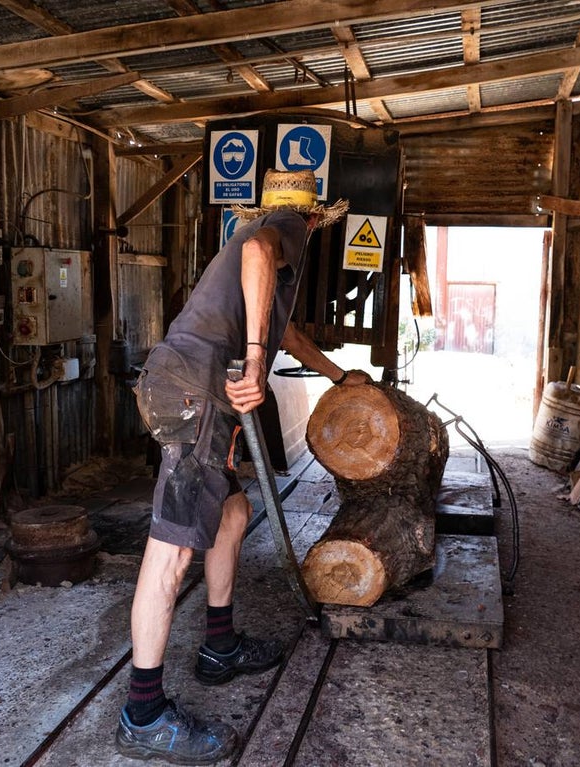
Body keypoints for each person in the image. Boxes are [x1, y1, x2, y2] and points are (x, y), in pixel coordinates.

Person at [116, 168, 371, 763]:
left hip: (184, 384)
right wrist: (254, 360)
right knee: (174, 547)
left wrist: (337, 375)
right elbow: (260, 254)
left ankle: (219, 645)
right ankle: (142, 714)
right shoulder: (279, 231)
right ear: (314, 217)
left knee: (233, 511)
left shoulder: (259, 241)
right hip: (193, 390)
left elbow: (285, 332)